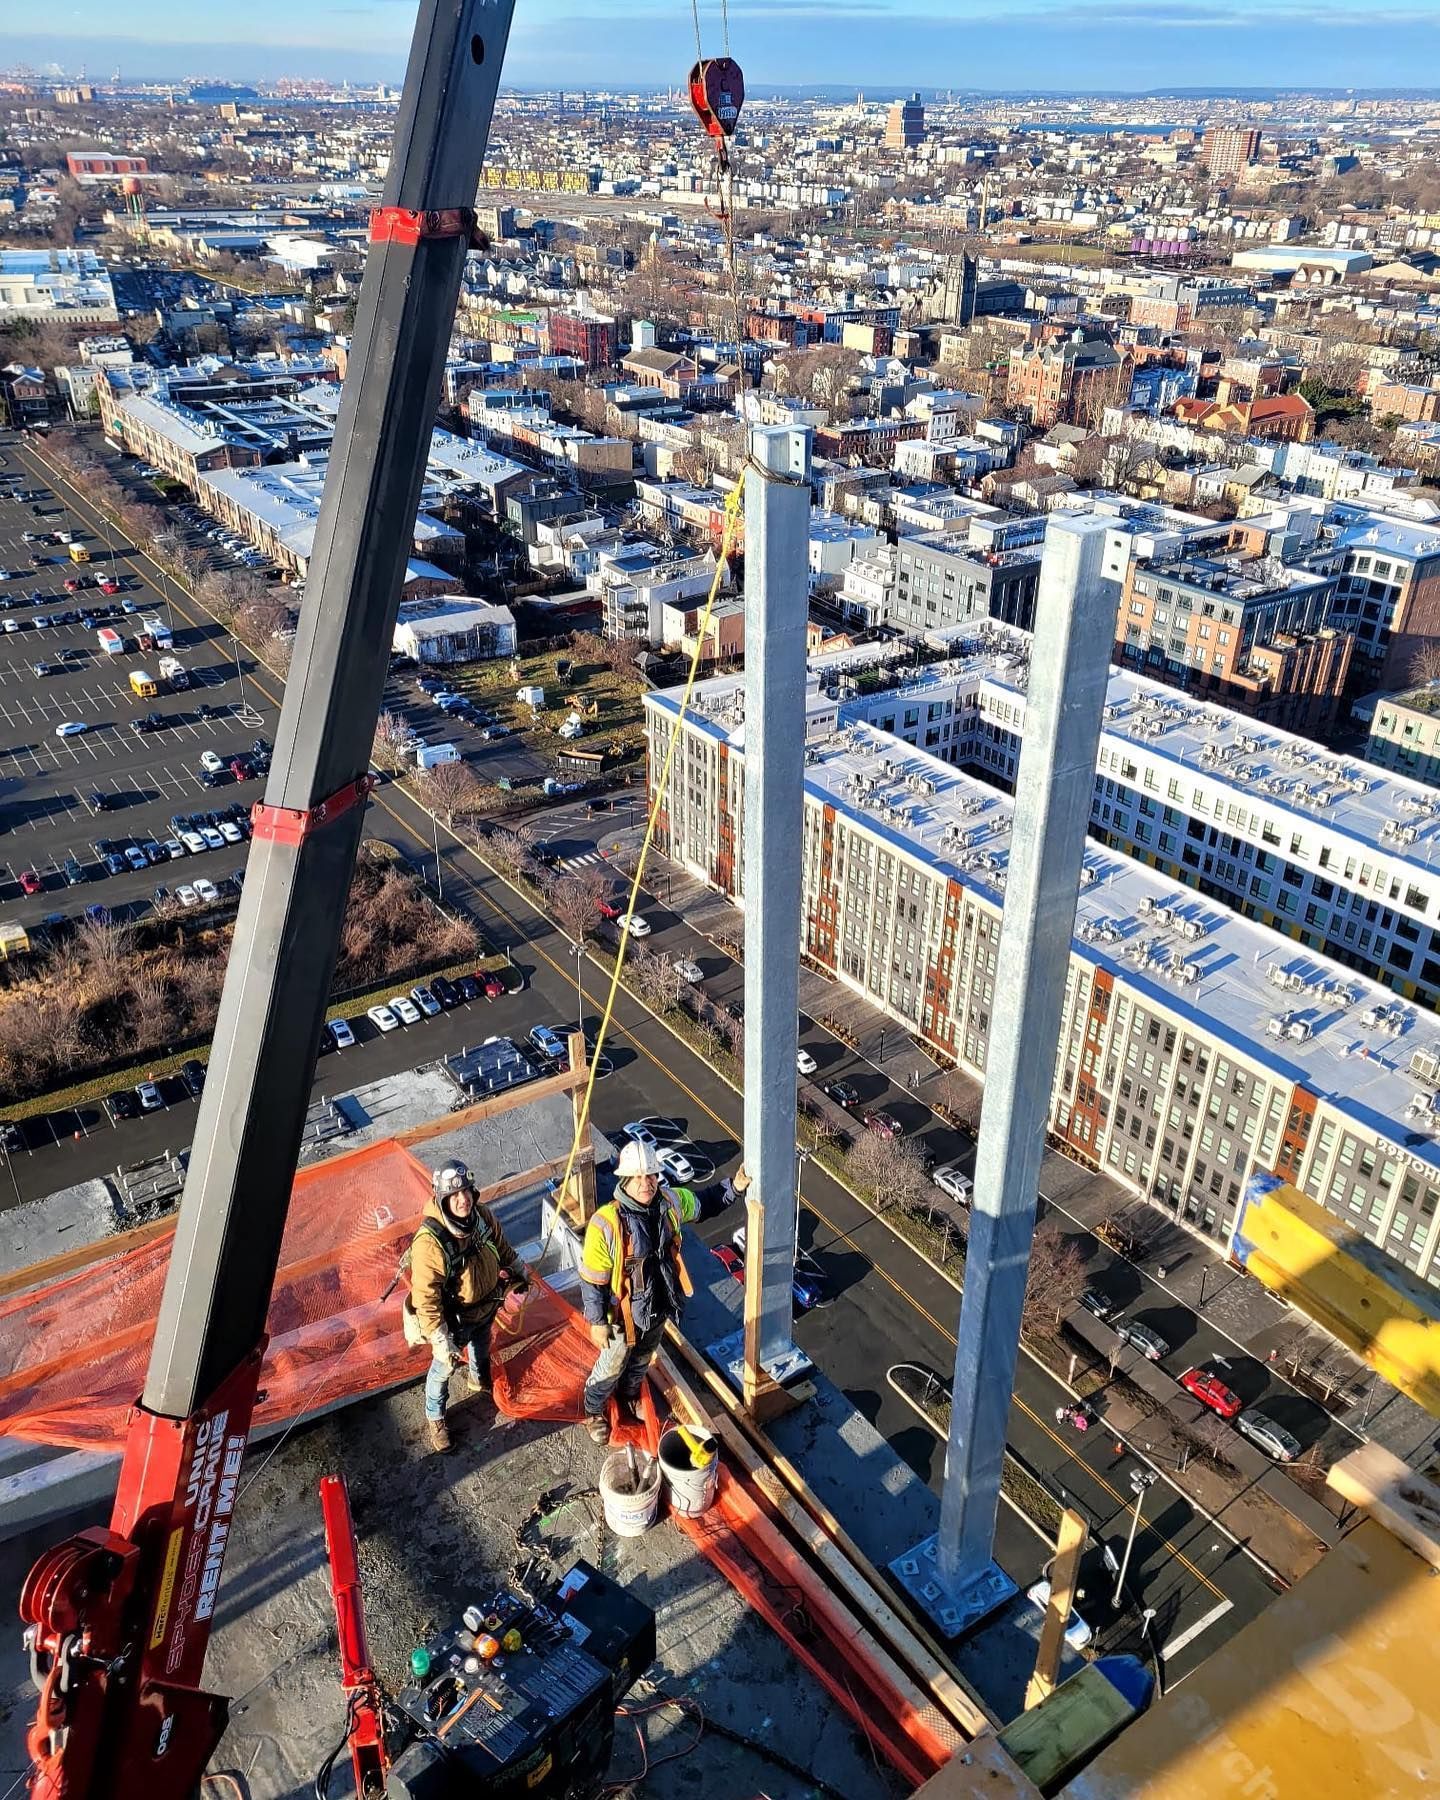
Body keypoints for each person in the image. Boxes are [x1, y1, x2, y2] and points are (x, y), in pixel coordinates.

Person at [578, 1141, 749, 1444]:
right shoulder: (606, 1224)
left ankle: (630, 1395)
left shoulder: (670, 1202)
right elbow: (593, 1280)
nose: (647, 1183)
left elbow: (704, 1202)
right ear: (625, 1180)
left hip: (660, 1302)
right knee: (613, 1361)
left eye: (652, 1175)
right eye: (639, 1177)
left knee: (643, 1357)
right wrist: (597, 1321)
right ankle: (593, 1409)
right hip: (624, 1315)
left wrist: (733, 1188)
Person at [410, 1161, 529, 1453]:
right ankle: (435, 1416)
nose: (463, 1200)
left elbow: (501, 1246)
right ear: (442, 1199)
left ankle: (480, 1379)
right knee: (443, 1368)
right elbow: (426, 1297)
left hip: (486, 1304)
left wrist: (519, 1270)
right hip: (455, 1319)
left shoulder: (482, 1216)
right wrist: (440, 1339)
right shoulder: (430, 1243)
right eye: (454, 1195)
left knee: (482, 1342)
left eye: (465, 1192)